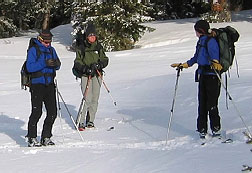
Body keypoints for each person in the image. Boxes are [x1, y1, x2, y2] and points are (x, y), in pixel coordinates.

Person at [171, 20, 223, 139]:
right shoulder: (201, 41)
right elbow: (196, 57)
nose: (195, 33)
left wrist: (216, 63)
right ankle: (202, 130)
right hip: (203, 75)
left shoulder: (211, 41)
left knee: (212, 103)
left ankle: (216, 129)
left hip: (212, 76)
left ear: (200, 31)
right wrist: (184, 64)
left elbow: (215, 56)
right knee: (202, 103)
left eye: (196, 30)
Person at [25, 29, 61, 147]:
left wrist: (55, 63)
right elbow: (30, 67)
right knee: (37, 111)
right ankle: (32, 138)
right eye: (46, 42)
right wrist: (45, 63)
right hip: (37, 85)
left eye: (49, 42)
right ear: (40, 39)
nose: (48, 44)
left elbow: (58, 65)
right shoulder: (33, 50)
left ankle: (46, 137)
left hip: (49, 84)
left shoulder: (52, 50)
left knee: (52, 112)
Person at [73, 22, 109, 130]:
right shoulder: (81, 47)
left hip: (97, 75)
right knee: (87, 98)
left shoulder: (98, 46)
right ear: (87, 36)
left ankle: (91, 120)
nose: (92, 37)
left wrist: (100, 64)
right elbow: (77, 62)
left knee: (95, 98)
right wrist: (85, 68)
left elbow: (105, 59)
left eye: (93, 35)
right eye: (90, 35)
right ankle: (80, 121)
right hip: (86, 75)